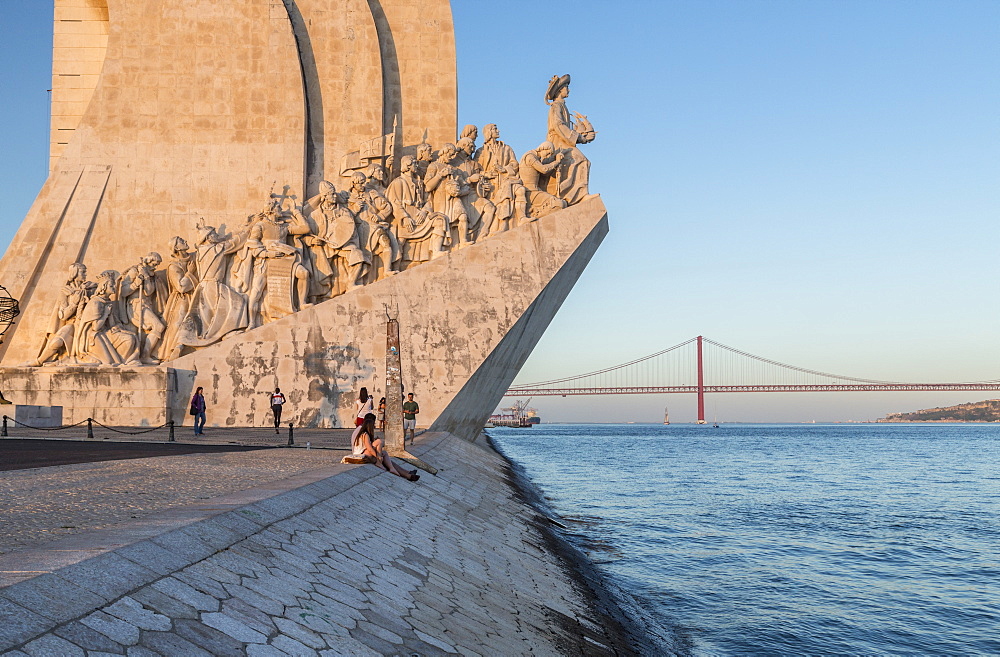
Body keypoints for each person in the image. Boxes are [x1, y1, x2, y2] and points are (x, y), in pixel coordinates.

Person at [351, 413, 419, 481]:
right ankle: (405, 473)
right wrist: (378, 456)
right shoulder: (363, 432)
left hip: (362, 451)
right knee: (381, 446)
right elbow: (368, 447)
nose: (374, 426)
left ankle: (407, 474)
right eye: (374, 424)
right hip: (362, 453)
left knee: (387, 458)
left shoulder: (360, 429)